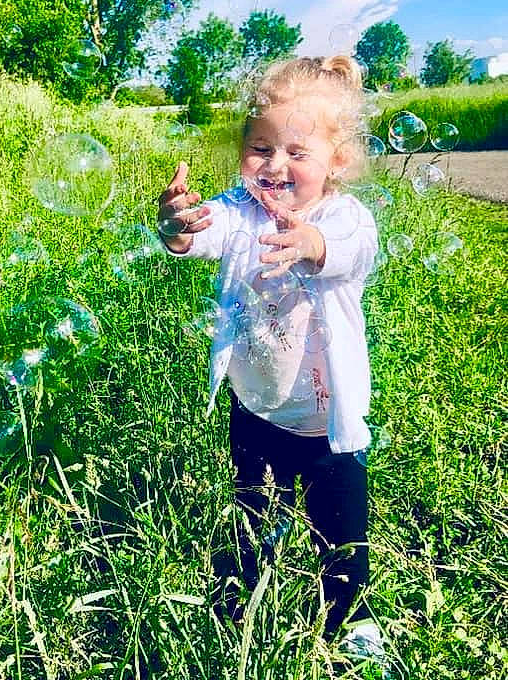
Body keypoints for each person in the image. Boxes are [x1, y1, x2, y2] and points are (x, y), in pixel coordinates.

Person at [156, 55, 388, 669]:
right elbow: (200, 237)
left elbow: (356, 252)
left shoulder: (343, 217)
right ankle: (242, 588)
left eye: (297, 152)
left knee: (338, 526)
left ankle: (349, 611)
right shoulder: (239, 209)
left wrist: (315, 245)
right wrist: (178, 226)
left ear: (337, 162)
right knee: (251, 505)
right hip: (254, 401)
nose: (274, 167)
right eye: (260, 148)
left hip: (323, 419)